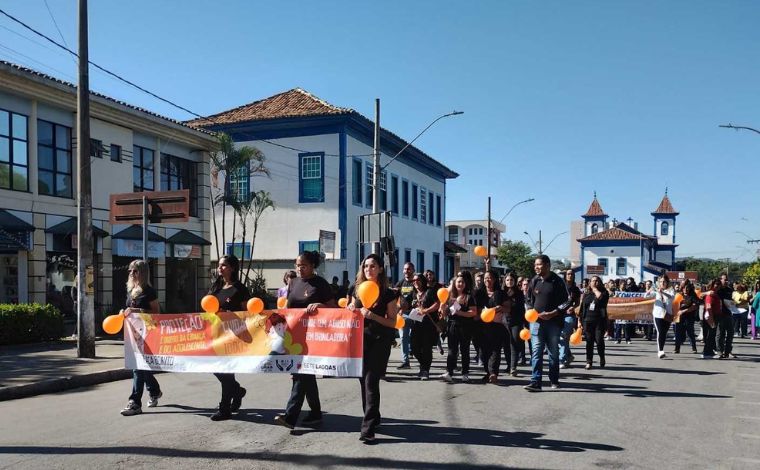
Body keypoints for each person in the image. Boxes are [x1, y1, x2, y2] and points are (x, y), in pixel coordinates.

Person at [274, 251, 336, 429]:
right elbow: (288, 307)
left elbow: (334, 309)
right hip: (294, 337)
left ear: (312, 266)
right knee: (305, 375)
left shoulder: (321, 284)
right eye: (297, 265)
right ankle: (316, 413)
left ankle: (290, 416)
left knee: (301, 374)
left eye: (304, 265)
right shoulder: (293, 282)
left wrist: (321, 306)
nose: (299, 268)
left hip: (314, 337)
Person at [348, 253, 399, 443]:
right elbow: (352, 308)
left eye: (373, 266)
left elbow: (392, 322)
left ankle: (367, 428)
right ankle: (374, 416)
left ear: (380, 269)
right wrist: (351, 309)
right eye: (366, 266)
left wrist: (372, 316)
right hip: (361, 340)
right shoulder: (357, 289)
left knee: (371, 382)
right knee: (362, 381)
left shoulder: (388, 293)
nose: (368, 270)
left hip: (380, 340)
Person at [208, 255, 250, 421]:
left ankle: (224, 408)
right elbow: (208, 305)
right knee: (214, 367)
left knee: (226, 371)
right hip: (216, 334)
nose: (220, 268)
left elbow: (248, 314)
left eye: (224, 265)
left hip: (232, 335)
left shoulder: (240, 289)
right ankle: (237, 391)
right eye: (219, 265)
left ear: (232, 268)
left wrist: (230, 315)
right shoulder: (217, 286)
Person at [120, 259, 162, 416]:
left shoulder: (149, 291)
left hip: (147, 334)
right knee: (141, 367)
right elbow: (129, 309)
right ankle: (154, 390)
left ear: (143, 273)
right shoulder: (132, 290)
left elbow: (156, 313)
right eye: (130, 270)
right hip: (133, 334)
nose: (131, 273)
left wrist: (137, 311)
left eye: (135, 271)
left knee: (138, 367)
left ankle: (135, 402)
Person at [524, 255, 570, 392]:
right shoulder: (534, 280)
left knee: (553, 353)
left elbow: (567, 302)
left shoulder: (558, 281)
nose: (536, 267)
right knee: (536, 352)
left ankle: (554, 379)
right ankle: (535, 381)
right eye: (535, 265)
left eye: (539, 264)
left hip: (553, 323)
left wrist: (553, 313)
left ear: (547, 265)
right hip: (536, 323)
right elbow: (528, 299)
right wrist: (530, 310)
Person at [438, 272, 476, 383]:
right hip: (452, 325)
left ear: (465, 284)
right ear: (454, 283)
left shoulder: (469, 297)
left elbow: (473, 312)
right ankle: (449, 372)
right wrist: (443, 309)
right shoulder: (450, 298)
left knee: (465, 350)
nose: (460, 284)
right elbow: (445, 314)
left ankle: (465, 373)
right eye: (458, 282)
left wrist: (460, 313)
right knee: (451, 350)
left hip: (465, 326)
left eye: (462, 282)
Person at [479, 269, 507, 384]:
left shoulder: (500, 293)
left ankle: (493, 373)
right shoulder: (480, 293)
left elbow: (508, 308)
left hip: (496, 325)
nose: (487, 280)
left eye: (489, 278)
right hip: (482, 326)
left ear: (495, 280)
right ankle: (488, 372)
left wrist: (500, 308)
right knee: (483, 352)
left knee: (495, 350)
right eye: (485, 278)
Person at [410, 273, 440, 380]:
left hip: (428, 324)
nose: (415, 282)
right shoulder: (414, 294)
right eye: (413, 281)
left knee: (426, 348)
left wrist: (426, 310)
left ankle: (425, 370)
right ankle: (423, 365)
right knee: (414, 347)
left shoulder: (430, 292)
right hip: (416, 324)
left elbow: (437, 304)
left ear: (423, 281)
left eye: (418, 280)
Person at [579, 276, 608, 369]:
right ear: (589, 283)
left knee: (599, 341)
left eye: (597, 281)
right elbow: (582, 308)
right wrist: (579, 321)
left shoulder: (604, 292)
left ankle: (602, 357)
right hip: (587, 321)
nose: (595, 282)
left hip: (599, 321)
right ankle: (589, 362)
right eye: (593, 281)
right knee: (589, 342)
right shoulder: (586, 294)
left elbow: (601, 298)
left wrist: (595, 289)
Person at [503, 271, 526, 377]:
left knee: (514, 343)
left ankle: (513, 367)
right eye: (507, 280)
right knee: (506, 344)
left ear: (515, 281)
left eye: (511, 280)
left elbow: (520, 308)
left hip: (516, 321)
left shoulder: (519, 293)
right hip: (504, 321)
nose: (509, 282)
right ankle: (509, 365)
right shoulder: (502, 292)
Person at [394, 262, 415, 370]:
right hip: (403, 314)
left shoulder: (416, 283)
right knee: (403, 338)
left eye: (409, 269)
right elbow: (394, 296)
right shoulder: (401, 283)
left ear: (413, 270)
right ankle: (405, 361)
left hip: (416, 314)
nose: (407, 271)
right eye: (405, 269)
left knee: (415, 337)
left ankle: (415, 352)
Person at [559, 270, 581, 368]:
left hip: (569, 315)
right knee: (559, 337)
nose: (570, 275)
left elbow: (577, 303)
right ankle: (569, 355)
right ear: (565, 276)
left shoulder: (575, 289)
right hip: (558, 314)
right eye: (568, 274)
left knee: (564, 335)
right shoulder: (559, 287)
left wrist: (573, 307)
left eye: (572, 274)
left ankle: (562, 360)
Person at [652, 275, 675, 359]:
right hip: (658, 314)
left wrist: (662, 292)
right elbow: (646, 296)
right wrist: (650, 291)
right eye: (661, 281)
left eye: (664, 281)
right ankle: (660, 351)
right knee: (660, 332)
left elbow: (671, 297)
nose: (662, 283)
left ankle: (661, 348)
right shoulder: (655, 291)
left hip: (667, 314)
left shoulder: (671, 290)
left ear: (667, 282)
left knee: (664, 333)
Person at [674, 281, 699, 354]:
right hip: (679, 317)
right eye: (684, 288)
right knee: (678, 333)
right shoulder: (678, 295)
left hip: (689, 317)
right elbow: (674, 304)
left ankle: (694, 348)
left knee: (690, 333)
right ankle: (677, 348)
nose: (685, 289)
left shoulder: (692, 296)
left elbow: (694, 306)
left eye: (687, 288)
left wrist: (684, 311)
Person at [702, 279, 721, 359]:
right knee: (710, 335)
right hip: (711, 316)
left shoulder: (715, 294)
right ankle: (707, 352)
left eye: (718, 284)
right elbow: (708, 307)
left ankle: (709, 351)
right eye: (716, 284)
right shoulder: (710, 294)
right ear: (712, 285)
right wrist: (711, 320)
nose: (717, 286)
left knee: (711, 335)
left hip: (714, 316)